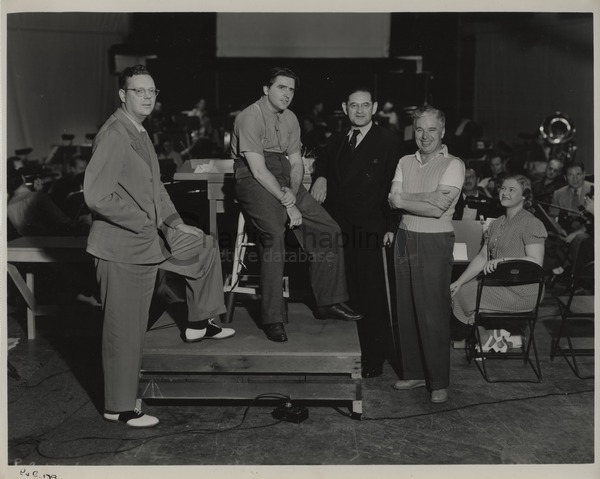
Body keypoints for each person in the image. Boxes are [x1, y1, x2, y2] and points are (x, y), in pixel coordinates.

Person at [83, 65, 234, 428]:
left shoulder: (139, 131)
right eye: (139, 91)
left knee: (204, 246)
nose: (147, 97)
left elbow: (157, 190)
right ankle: (119, 407)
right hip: (121, 250)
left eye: (152, 91)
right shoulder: (114, 134)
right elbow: (96, 195)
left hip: (152, 238)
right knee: (126, 331)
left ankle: (199, 321)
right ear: (123, 95)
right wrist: (146, 223)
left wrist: (176, 223)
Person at [231, 67, 362, 343]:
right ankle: (272, 317)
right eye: (281, 88)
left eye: (291, 90)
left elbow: (296, 161)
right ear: (266, 89)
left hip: (282, 176)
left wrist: (292, 190)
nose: (287, 94)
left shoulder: (290, 118)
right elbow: (257, 170)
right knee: (274, 234)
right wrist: (286, 202)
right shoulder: (249, 117)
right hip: (253, 178)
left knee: (329, 228)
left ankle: (329, 302)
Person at [311, 86, 403, 379]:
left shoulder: (389, 142)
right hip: (340, 228)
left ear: (374, 107)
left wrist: (391, 227)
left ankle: (374, 359)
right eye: (354, 105)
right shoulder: (338, 138)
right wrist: (321, 176)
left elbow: (395, 187)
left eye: (365, 105)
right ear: (345, 107)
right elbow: (324, 159)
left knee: (372, 296)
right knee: (347, 295)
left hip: (370, 229)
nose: (360, 110)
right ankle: (347, 356)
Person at [387, 104, 465, 404]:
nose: (425, 135)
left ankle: (438, 380)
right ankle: (415, 372)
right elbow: (393, 202)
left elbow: (437, 208)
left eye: (432, 129)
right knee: (405, 309)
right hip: (405, 237)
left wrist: (405, 198)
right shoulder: (404, 161)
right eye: (420, 129)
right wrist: (419, 198)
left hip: (434, 240)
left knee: (432, 312)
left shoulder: (453, 164)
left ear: (442, 131)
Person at [450, 175, 547, 352]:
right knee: (458, 290)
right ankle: (489, 339)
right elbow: (482, 257)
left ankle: (487, 339)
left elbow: (536, 262)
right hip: (503, 285)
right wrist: (459, 281)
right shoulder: (497, 223)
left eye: (512, 190)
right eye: (502, 188)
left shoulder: (531, 223)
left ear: (524, 196)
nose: (504, 193)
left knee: (466, 295)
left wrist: (503, 261)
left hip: (524, 291)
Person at [546, 162, 593, 279]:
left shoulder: (595, 189)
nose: (575, 179)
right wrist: (559, 230)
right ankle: (562, 268)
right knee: (545, 236)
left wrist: (575, 234)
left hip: (588, 230)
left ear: (583, 175)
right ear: (565, 177)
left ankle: (576, 277)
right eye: (571, 175)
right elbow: (551, 216)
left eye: (578, 174)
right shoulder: (558, 193)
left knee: (580, 239)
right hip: (566, 230)